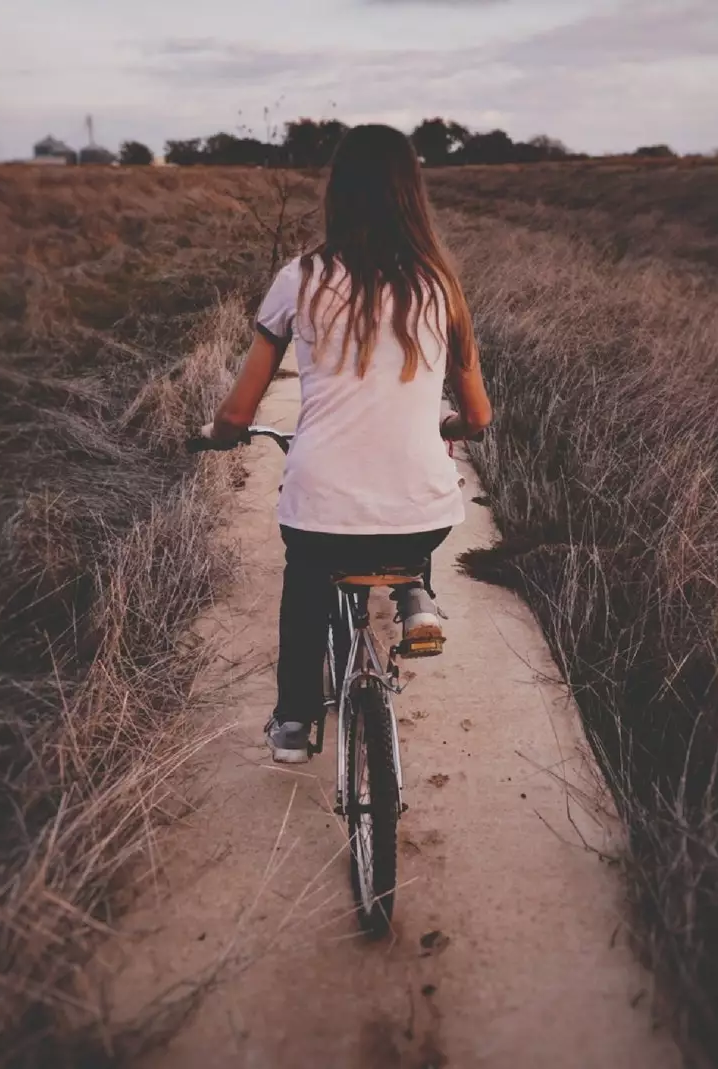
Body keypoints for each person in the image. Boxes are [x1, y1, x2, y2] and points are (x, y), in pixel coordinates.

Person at [196, 124, 492, 764]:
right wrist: (445, 427)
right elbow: (478, 417)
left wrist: (217, 435)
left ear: (337, 193)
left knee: (306, 578)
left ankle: (296, 723)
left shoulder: (298, 279)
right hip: (424, 519)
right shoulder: (443, 288)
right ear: (412, 194)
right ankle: (416, 593)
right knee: (415, 504)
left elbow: (240, 409)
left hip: (323, 510)